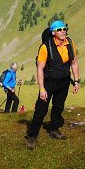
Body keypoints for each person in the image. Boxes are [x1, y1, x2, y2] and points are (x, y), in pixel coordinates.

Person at [27, 20, 80, 149]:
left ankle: (54, 129)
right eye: (59, 29)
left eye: (64, 28)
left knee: (58, 106)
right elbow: (40, 68)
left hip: (64, 81)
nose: (63, 31)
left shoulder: (70, 43)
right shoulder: (46, 47)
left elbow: (74, 63)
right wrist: (41, 88)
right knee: (41, 110)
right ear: (53, 32)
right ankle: (32, 136)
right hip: (49, 82)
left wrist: (76, 81)